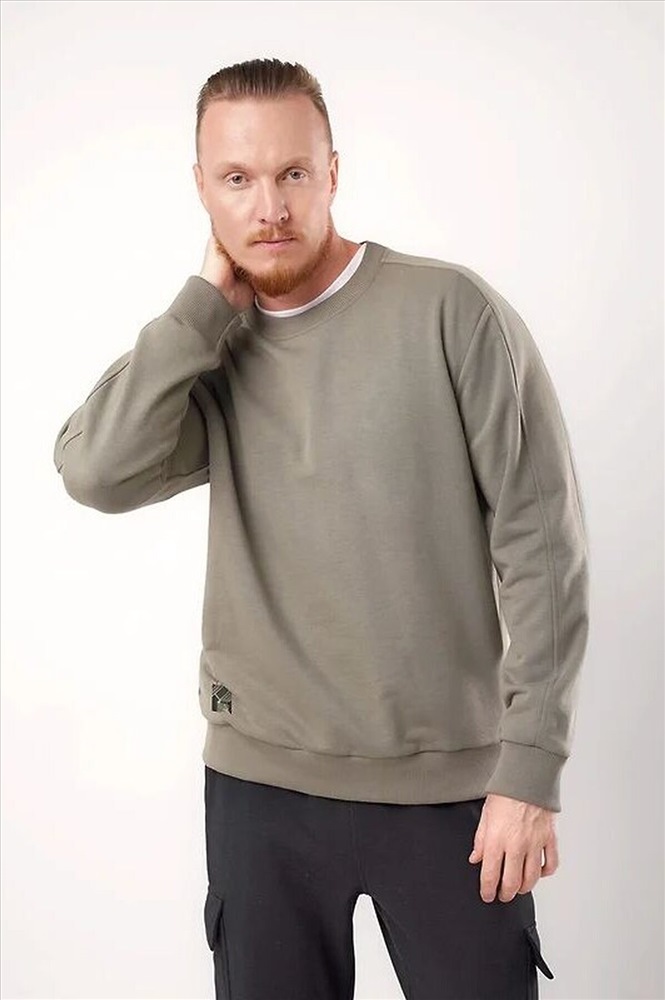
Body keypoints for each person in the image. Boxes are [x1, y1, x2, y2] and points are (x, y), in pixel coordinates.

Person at [53, 57, 589, 1000]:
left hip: (451, 794)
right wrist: (197, 311)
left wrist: (530, 771)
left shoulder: (450, 313)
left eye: (292, 173)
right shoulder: (210, 352)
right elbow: (95, 470)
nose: (268, 207)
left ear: (332, 173)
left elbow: (541, 551)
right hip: (260, 794)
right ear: (201, 190)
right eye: (237, 178)